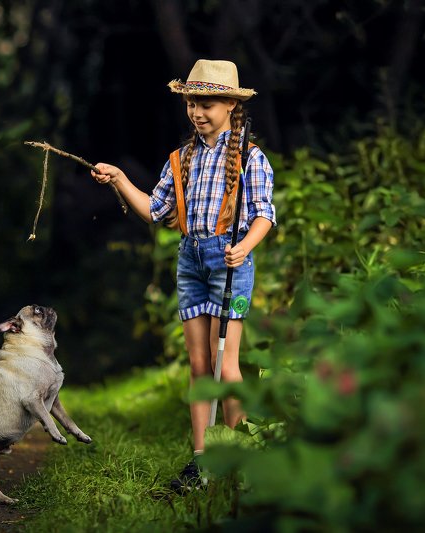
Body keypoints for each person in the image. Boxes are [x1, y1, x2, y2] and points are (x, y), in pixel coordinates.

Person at [91, 59, 276, 492]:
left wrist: (244, 247)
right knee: (199, 365)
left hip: (230, 265)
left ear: (231, 104)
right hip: (191, 262)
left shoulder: (250, 156)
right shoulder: (182, 158)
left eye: (207, 103)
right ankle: (202, 463)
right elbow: (155, 210)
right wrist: (119, 179)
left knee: (226, 365)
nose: (197, 112)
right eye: (192, 103)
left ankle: (243, 458)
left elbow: (265, 215)